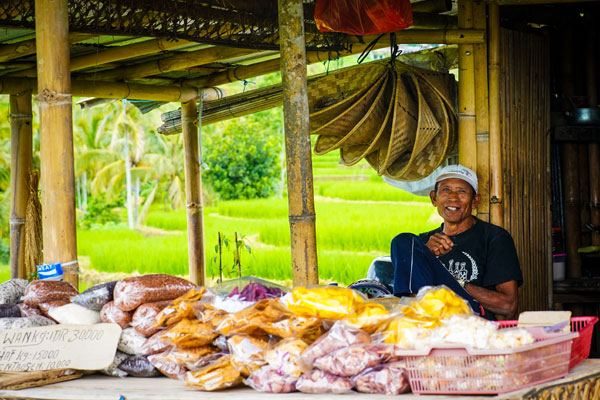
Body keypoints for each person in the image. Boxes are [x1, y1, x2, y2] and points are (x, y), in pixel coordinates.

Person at [390, 164, 523, 319]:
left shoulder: (494, 238)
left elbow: (508, 306)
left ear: (475, 201)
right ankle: (421, 316)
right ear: (434, 198)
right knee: (403, 241)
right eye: (446, 190)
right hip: (431, 316)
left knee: (405, 241)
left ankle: (422, 316)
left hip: (470, 316)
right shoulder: (421, 244)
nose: (453, 197)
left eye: (462, 191)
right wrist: (424, 255)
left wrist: (457, 282)